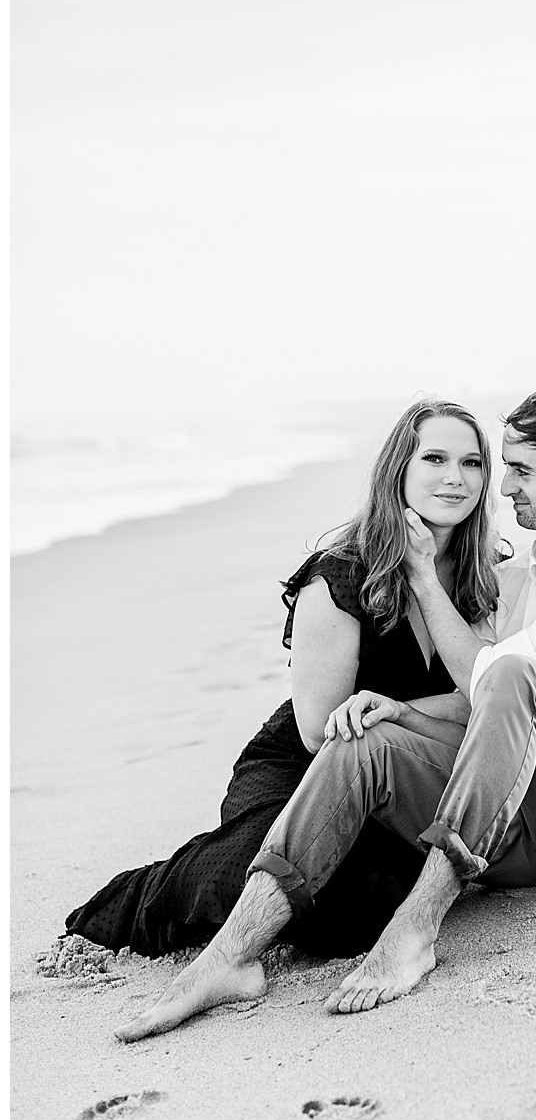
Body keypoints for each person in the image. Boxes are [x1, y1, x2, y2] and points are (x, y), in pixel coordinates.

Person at [116, 382, 536, 1041]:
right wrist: (396, 714)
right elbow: (489, 716)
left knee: (514, 670)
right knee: (361, 741)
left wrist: (418, 575)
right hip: (517, 827)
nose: (501, 489)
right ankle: (229, 958)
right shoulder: (523, 575)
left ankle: (416, 930)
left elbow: (497, 682)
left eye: (519, 471)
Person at [65, 399, 504, 959]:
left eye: (472, 464)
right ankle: (134, 900)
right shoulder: (341, 574)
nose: (454, 478)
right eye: (435, 458)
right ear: (399, 470)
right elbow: (321, 731)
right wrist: (424, 707)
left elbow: (484, 697)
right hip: (298, 771)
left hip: (400, 782)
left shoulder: (476, 576)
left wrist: (423, 588)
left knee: (373, 906)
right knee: (271, 872)